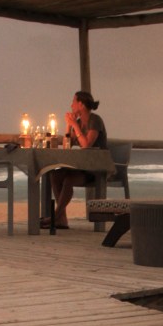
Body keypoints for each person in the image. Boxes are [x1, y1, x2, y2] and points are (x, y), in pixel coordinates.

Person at [41, 91, 107, 229]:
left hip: (95, 168)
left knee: (69, 180)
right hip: (82, 167)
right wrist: (69, 125)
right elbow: (68, 144)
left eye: (73, 101)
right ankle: (61, 219)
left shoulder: (95, 120)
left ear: (81, 104)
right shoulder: (78, 122)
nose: (71, 105)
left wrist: (75, 126)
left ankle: (55, 217)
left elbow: (86, 144)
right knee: (55, 174)